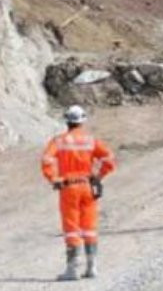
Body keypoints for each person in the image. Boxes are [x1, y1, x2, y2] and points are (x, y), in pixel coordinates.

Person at [40, 105, 116, 281]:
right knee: (89, 226)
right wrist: (98, 176)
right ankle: (92, 267)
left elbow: (46, 160)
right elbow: (109, 159)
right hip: (88, 186)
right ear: (82, 121)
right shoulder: (90, 141)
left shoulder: (59, 141)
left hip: (69, 187)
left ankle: (72, 269)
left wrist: (54, 179)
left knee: (71, 227)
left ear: (67, 121)